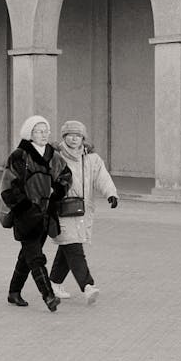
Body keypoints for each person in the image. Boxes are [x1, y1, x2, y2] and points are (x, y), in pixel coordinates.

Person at [0, 115, 71, 312]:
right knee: (35, 256)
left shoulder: (54, 156)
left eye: (46, 131)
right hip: (25, 214)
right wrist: (25, 208)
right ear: (29, 133)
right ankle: (48, 296)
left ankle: (13, 292)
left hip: (46, 215)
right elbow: (8, 186)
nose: (43, 134)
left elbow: (66, 176)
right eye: (39, 131)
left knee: (27, 255)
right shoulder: (19, 156)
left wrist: (58, 191)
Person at [49, 120, 118, 305]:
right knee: (73, 248)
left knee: (69, 245)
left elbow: (102, 176)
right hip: (62, 209)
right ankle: (88, 286)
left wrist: (111, 193)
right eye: (70, 135)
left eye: (78, 135)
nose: (74, 138)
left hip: (83, 210)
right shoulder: (55, 156)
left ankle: (54, 283)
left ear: (83, 138)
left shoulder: (91, 158)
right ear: (64, 137)